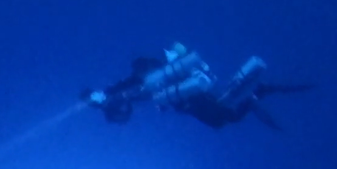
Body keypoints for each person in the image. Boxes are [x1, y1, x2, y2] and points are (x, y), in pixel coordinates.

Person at [83, 43, 314, 130]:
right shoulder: (147, 79)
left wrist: (100, 98)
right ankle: (256, 90)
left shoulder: (136, 84)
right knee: (224, 112)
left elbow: (124, 92)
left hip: (189, 97)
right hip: (189, 93)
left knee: (223, 117)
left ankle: (257, 92)